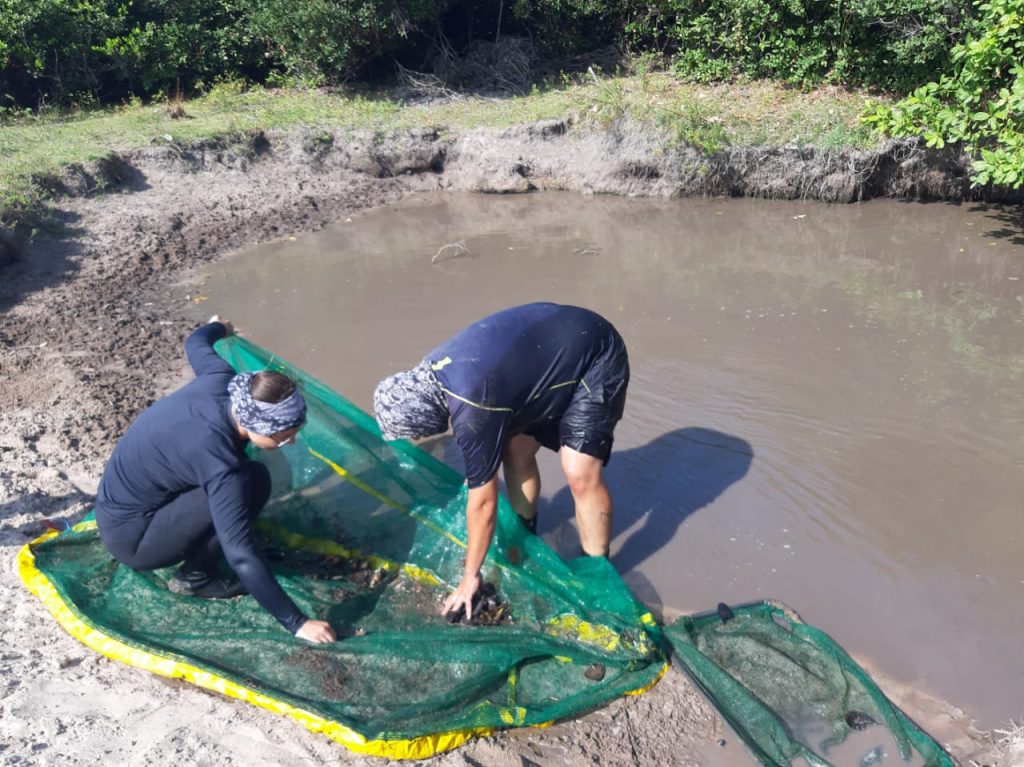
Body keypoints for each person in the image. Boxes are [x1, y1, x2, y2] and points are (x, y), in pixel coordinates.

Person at [373, 302, 629, 622]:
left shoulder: (472, 408)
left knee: (578, 471)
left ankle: (597, 569)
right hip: (544, 356)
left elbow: (483, 503)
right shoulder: (428, 376)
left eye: (415, 432)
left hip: (594, 352)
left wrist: (470, 577)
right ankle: (524, 534)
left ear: (425, 419)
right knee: (516, 452)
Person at [95, 317, 336, 644]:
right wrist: (297, 622)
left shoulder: (225, 381)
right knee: (252, 482)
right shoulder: (221, 465)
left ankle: (196, 558)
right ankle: (195, 578)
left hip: (120, 506)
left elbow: (195, 342)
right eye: (284, 437)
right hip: (135, 540)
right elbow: (239, 553)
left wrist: (221, 326)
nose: (290, 443)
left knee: (253, 476)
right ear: (256, 426)